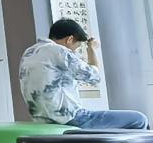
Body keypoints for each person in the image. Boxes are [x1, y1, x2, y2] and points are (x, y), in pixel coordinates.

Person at [20, 18, 149, 130]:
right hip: (70, 119)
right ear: (70, 39)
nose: (74, 51)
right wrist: (91, 49)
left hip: (41, 119)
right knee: (139, 119)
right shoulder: (59, 51)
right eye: (76, 47)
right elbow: (94, 77)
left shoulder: (29, 52)